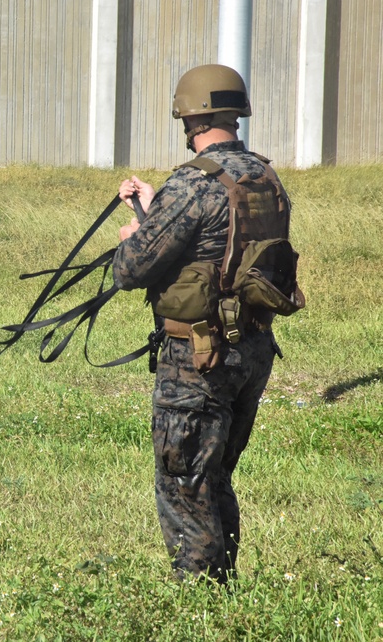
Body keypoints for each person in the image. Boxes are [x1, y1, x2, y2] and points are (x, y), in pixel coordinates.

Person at [112, 64, 293, 584]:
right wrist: (154, 211)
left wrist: (133, 235)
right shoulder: (264, 177)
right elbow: (224, 253)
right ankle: (224, 585)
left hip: (199, 359)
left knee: (184, 482)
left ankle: (200, 601)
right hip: (252, 350)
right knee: (214, 478)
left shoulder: (194, 183)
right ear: (235, 113)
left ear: (189, 114)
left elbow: (132, 269)